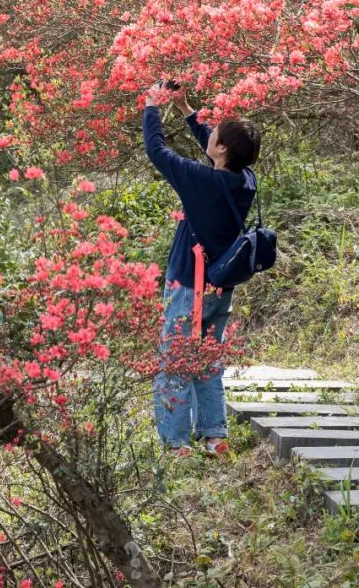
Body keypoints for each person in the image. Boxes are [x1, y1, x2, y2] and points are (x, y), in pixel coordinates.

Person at [143, 82, 261, 456]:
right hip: (220, 287)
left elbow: (157, 150)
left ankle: (177, 444)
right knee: (208, 363)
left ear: (222, 149)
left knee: (175, 364)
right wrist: (184, 107)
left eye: (216, 135)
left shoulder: (204, 181)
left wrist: (151, 105)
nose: (210, 136)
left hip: (188, 286)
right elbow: (212, 145)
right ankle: (215, 437)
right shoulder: (245, 181)